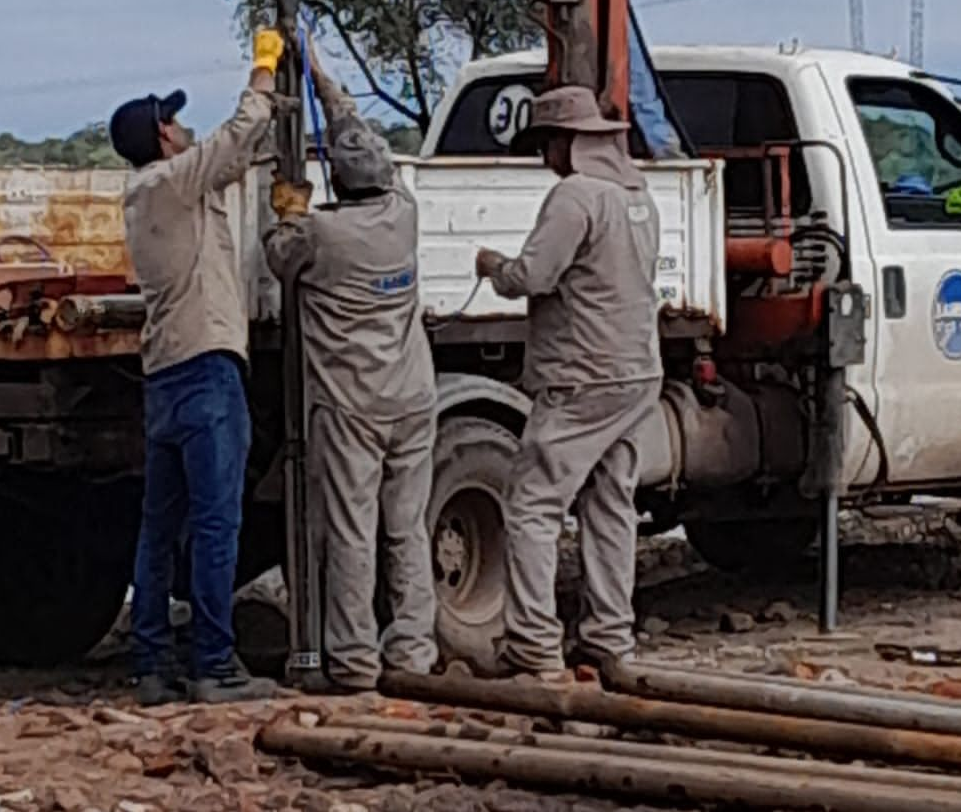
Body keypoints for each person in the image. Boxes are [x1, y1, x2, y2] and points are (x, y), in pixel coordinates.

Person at [110, 28, 284, 706]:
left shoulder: (152, 196)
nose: (183, 127)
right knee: (217, 522)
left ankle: (151, 660)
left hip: (165, 376)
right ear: (161, 138)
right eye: (174, 121)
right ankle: (215, 662)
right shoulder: (174, 183)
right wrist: (263, 73)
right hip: (208, 368)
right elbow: (235, 138)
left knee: (161, 525)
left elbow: (229, 161)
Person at [263, 43, 438, 693]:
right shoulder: (405, 214)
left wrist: (287, 207)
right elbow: (359, 136)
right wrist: (323, 77)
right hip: (413, 397)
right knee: (407, 526)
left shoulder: (322, 234)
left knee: (351, 531)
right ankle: (414, 651)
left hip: (352, 405)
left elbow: (280, 256)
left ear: (336, 182)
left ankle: (355, 660)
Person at [475, 85, 662, 681]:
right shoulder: (638, 198)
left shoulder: (574, 197)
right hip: (637, 368)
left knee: (532, 502)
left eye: (547, 143)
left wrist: (492, 267)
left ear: (568, 142)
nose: (544, 156)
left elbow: (534, 275)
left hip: (584, 372)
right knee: (611, 502)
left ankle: (532, 642)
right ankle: (609, 636)